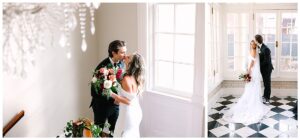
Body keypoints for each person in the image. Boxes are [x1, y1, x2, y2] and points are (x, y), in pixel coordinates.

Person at [222, 40, 270, 124]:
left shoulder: (254, 51)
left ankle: (251, 103)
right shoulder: (254, 51)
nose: (252, 45)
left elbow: (252, 62)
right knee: (250, 87)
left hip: (252, 71)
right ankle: (250, 102)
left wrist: (248, 72)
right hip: (253, 71)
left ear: (255, 45)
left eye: (253, 44)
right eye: (251, 44)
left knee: (251, 87)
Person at [89, 40, 127, 137]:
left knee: (114, 132)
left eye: (125, 52)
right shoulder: (101, 68)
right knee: (97, 132)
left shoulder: (122, 64)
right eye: (122, 52)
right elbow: (94, 92)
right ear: (113, 53)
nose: (124, 55)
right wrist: (114, 98)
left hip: (116, 106)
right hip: (101, 106)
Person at [110, 53, 145, 137]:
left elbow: (129, 101)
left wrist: (111, 94)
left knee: (119, 134)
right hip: (136, 112)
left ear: (131, 63)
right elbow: (127, 96)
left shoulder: (126, 79)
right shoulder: (135, 77)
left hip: (128, 114)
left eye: (128, 57)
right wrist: (117, 100)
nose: (125, 56)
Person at [255, 34, 274, 104]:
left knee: (267, 84)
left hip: (267, 69)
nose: (254, 41)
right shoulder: (259, 47)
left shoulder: (266, 48)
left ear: (257, 40)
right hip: (263, 69)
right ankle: (264, 96)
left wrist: (258, 66)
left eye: (255, 40)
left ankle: (267, 98)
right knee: (265, 83)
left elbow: (266, 61)